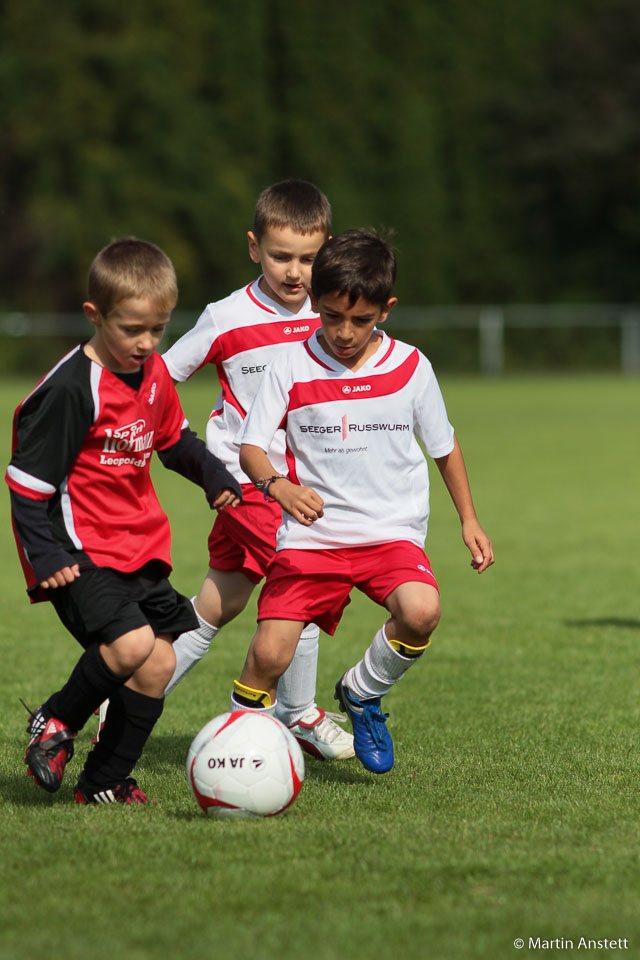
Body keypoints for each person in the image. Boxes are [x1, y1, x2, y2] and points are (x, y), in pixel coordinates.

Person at [231, 229, 494, 774]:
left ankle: (362, 692)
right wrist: (278, 486)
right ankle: (234, 753)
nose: (345, 332)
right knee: (270, 654)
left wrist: (469, 519)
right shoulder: (290, 365)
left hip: (389, 533)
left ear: (386, 310)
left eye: (361, 320)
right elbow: (252, 448)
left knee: (421, 612)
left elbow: (444, 448)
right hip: (312, 539)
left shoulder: (411, 367)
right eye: (332, 317)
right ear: (315, 302)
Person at [6, 238, 242, 804]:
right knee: (134, 643)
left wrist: (213, 475)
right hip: (77, 550)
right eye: (132, 329)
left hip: (138, 546)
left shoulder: (153, 371)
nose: (146, 343)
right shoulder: (71, 389)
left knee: (158, 663)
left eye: (158, 329)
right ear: (95, 315)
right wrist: (46, 555)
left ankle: (103, 782)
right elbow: (26, 484)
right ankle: (55, 721)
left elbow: (173, 441)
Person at [161, 179, 354, 761]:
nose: (295, 272)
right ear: (254, 248)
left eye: (308, 258)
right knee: (305, 579)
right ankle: (298, 714)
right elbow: (161, 378)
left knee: (217, 604)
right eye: (280, 256)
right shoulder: (227, 317)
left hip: (304, 490)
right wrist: (185, 447)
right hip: (246, 482)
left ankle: (127, 696)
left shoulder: (332, 316)